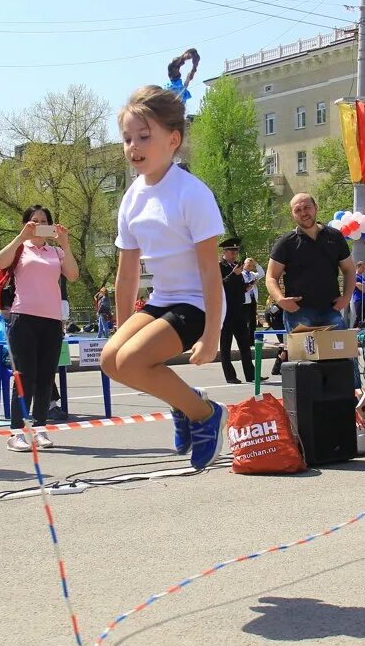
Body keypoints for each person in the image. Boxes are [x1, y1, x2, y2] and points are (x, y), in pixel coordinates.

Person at [100, 85, 226, 471]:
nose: (133, 146)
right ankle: (184, 402)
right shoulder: (132, 197)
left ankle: (204, 414)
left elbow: (210, 269)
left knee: (135, 361)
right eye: (126, 138)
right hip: (160, 301)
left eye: (143, 136)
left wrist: (212, 335)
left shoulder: (192, 193)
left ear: (173, 140)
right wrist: (122, 328)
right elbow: (128, 272)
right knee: (112, 360)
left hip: (196, 304)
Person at [0, 204, 78, 451]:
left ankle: (40, 430)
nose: (39, 224)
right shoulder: (21, 248)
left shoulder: (56, 252)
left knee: (45, 378)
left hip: (51, 321)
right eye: (34, 220)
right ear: (27, 223)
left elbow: (72, 275)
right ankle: (16, 433)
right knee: (24, 377)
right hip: (24, 318)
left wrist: (65, 244)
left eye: (44, 221)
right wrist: (22, 236)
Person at [267, 193, 355, 332]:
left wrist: (347, 297)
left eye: (307, 207)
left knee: (341, 353)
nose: (303, 213)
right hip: (298, 312)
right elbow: (271, 277)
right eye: (298, 210)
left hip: (331, 309)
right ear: (292, 214)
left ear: (316, 208)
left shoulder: (335, 236)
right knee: (304, 354)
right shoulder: (285, 242)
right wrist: (280, 300)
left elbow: (349, 270)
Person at [218, 237, 254, 384]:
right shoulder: (219, 266)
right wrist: (234, 274)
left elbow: (237, 288)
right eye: (231, 252)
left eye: (236, 252)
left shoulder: (236, 267)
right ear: (224, 252)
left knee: (245, 344)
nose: (234, 255)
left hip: (239, 311)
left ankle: (251, 374)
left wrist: (247, 286)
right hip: (225, 312)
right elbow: (220, 285)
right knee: (226, 346)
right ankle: (230, 376)